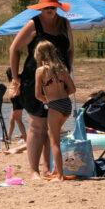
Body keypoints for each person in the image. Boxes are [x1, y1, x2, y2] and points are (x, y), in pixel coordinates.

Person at [8, 0, 74, 179]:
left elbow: (70, 50)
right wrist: (15, 77)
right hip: (33, 79)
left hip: (57, 81)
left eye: (53, 7)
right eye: (46, 7)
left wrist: (68, 73)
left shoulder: (64, 24)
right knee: (37, 125)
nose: (50, 10)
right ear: (40, 8)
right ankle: (34, 171)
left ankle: (48, 169)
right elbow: (14, 49)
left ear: (57, 7)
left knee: (52, 127)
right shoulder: (33, 24)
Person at [34, 40, 76, 181]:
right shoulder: (61, 68)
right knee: (52, 134)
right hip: (66, 105)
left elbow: (37, 95)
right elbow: (72, 89)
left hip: (55, 105)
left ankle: (60, 175)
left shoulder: (41, 71)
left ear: (39, 54)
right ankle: (57, 170)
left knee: (54, 141)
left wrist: (48, 100)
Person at [5, 68, 26, 142]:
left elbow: (21, 84)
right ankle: (8, 137)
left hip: (17, 100)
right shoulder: (12, 80)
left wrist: (16, 93)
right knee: (11, 120)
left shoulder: (15, 79)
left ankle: (26, 139)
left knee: (18, 120)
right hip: (14, 101)